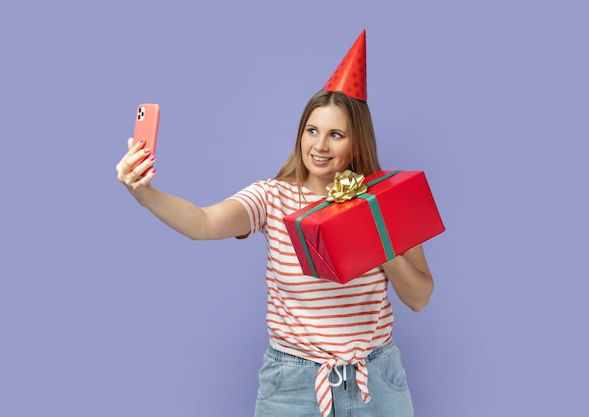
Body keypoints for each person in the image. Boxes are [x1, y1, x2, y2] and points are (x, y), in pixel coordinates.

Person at [116, 30, 433, 417]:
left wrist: (380, 244)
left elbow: (419, 297)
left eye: (336, 135)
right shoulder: (271, 197)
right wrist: (146, 195)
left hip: (377, 380)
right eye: (312, 131)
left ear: (357, 143)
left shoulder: (384, 202)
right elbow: (202, 223)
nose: (320, 145)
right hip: (294, 384)